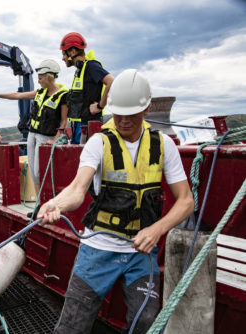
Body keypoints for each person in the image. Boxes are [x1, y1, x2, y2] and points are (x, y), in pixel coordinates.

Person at [37, 69, 194, 333]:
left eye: (131, 113)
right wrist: (56, 204)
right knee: (72, 326)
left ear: (146, 108)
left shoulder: (163, 145)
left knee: (146, 322)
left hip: (140, 254)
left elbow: (186, 201)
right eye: (117, 112)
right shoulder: (99, 143)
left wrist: (156, 230)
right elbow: (77, 189)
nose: (122, 120)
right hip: (97, 248)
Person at [0, 59, 68, 218]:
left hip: (46, 137)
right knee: (34, 173)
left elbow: (64, 121)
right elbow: (18, 95)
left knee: (38, 171)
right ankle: (39, 205)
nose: (39, 80)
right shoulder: (39, 93)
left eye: (41, 77)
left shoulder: (63, 96)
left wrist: (56, 138)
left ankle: (47, 205)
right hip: (32, 134)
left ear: (50, 77)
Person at [60, 32, 114, 144]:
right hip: (78, 126)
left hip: (88, 126)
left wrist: (100, 106)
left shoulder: (91, 66)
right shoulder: (80, 70)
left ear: (73, 52)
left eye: (64, 54)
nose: (62, 58)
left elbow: (111, 81)